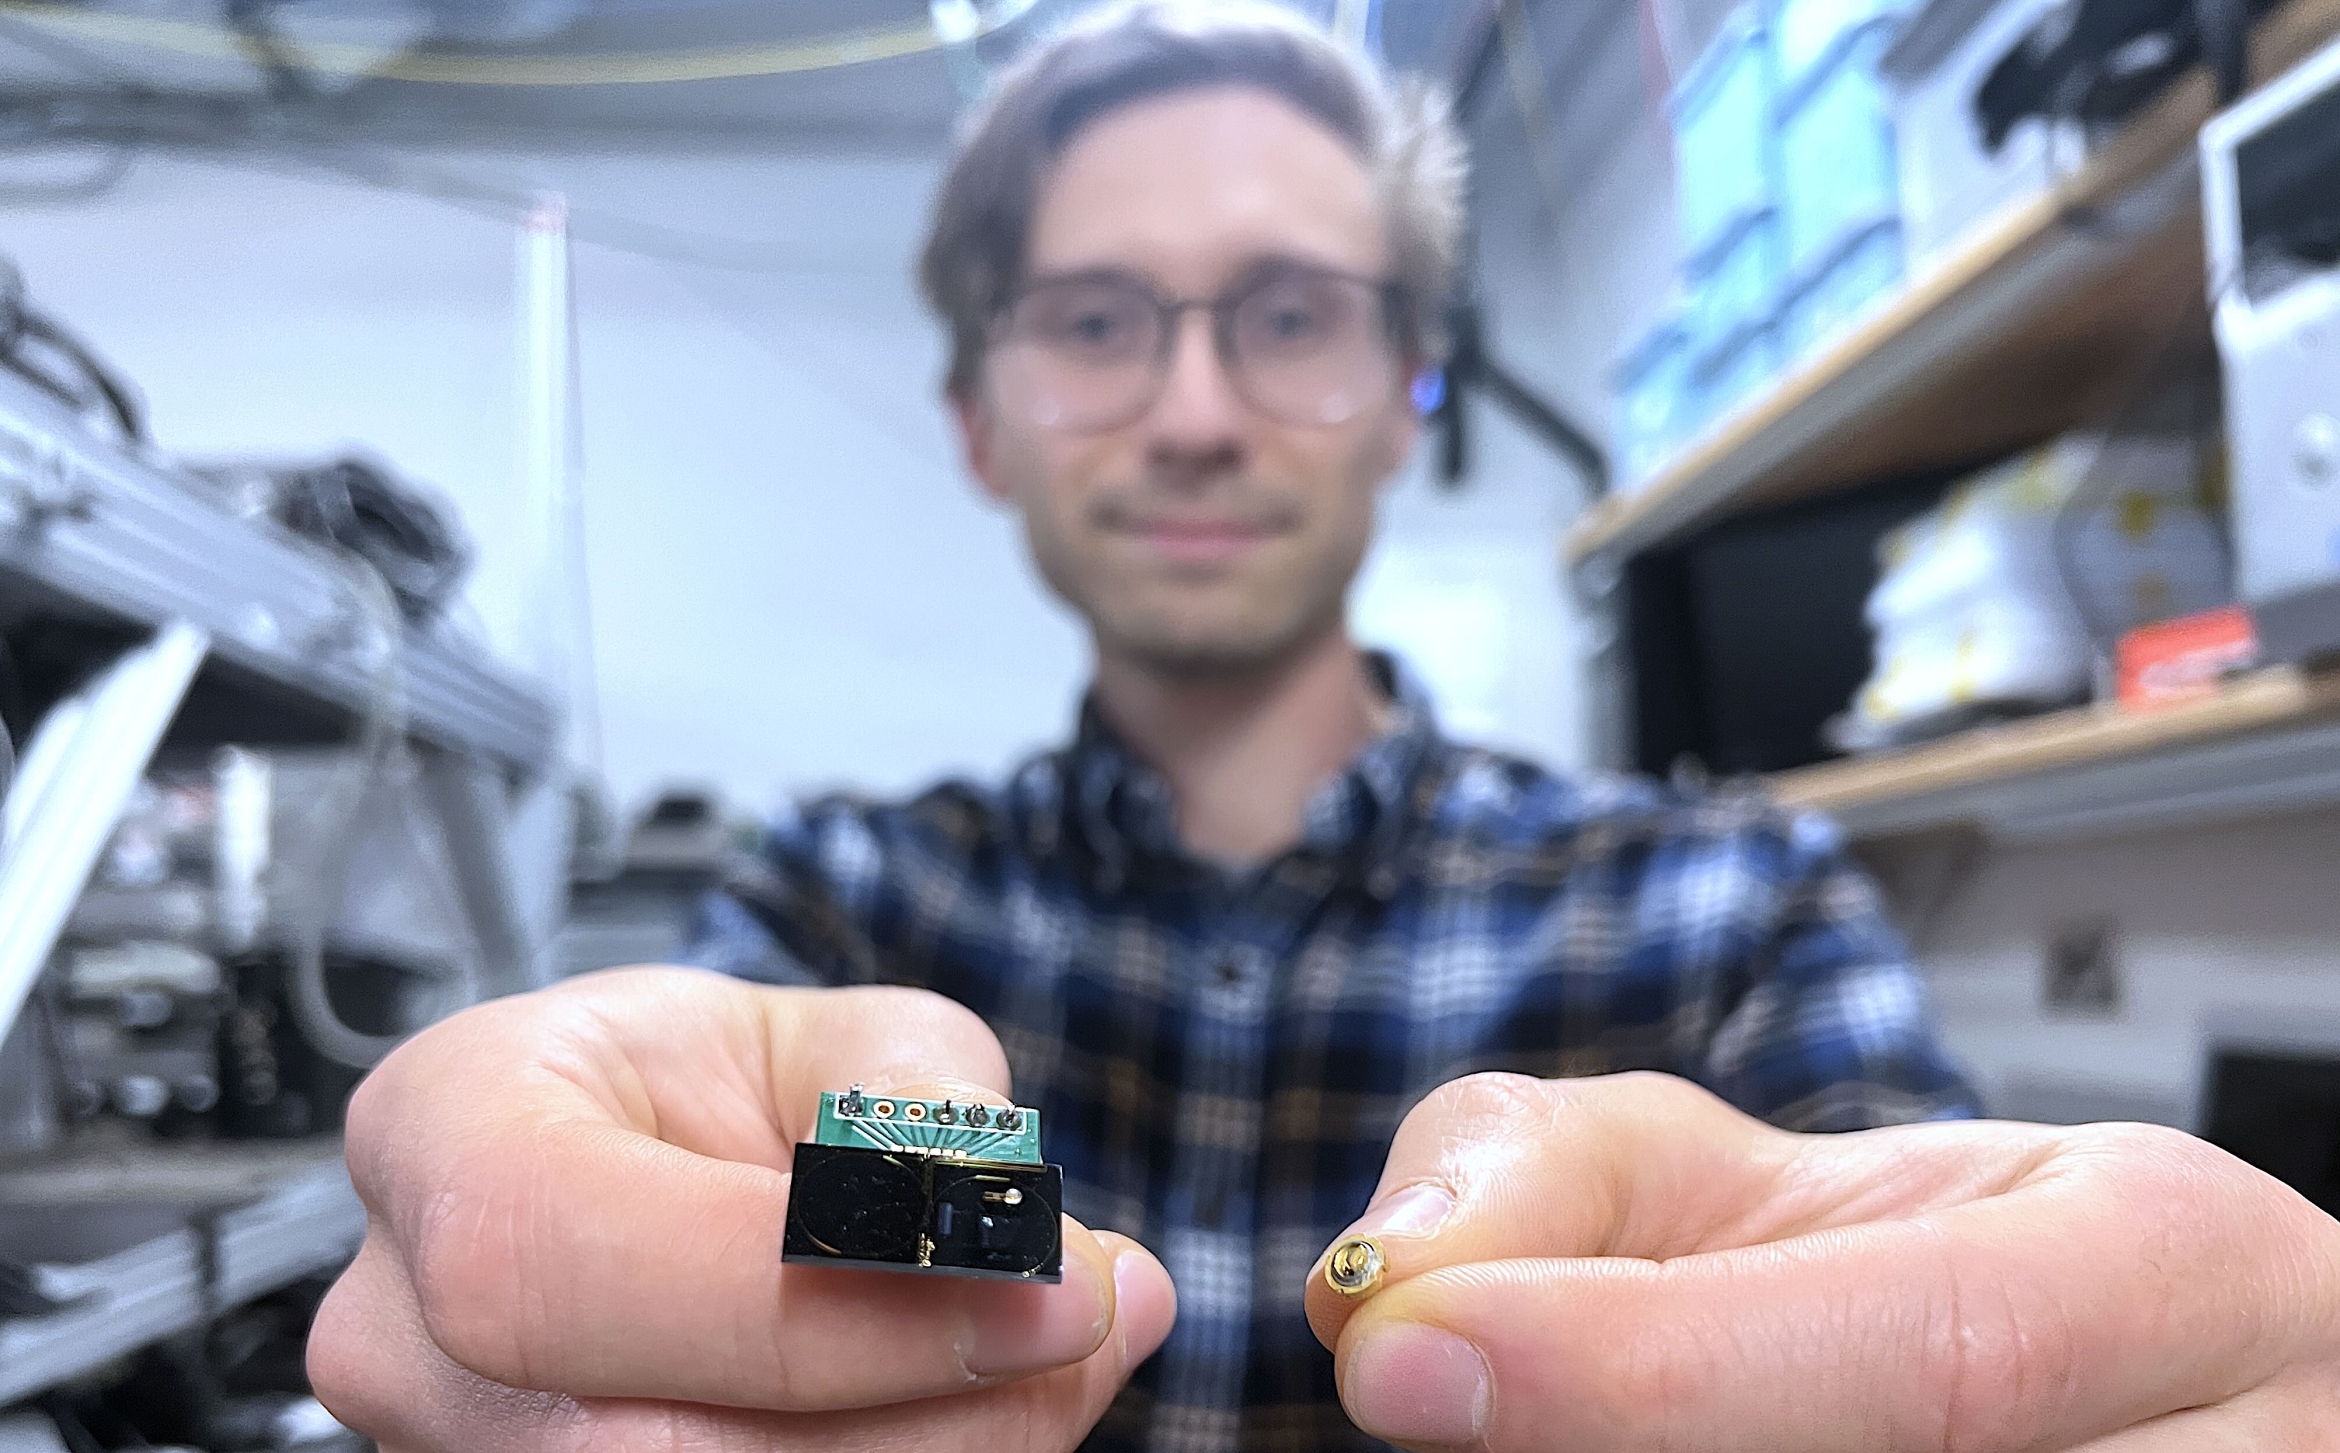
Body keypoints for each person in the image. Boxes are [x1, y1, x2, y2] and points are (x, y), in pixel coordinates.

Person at [306, 3, 2340, 1451]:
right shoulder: (832, 903)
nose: (1194, 407)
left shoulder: (1730, 904)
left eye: (1288, 315)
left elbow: (1929, 1276)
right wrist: (532, 1261)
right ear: (982, 423)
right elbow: (619, 1200)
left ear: (1410, 396)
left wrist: (2118, 1364)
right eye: (1097, 320)